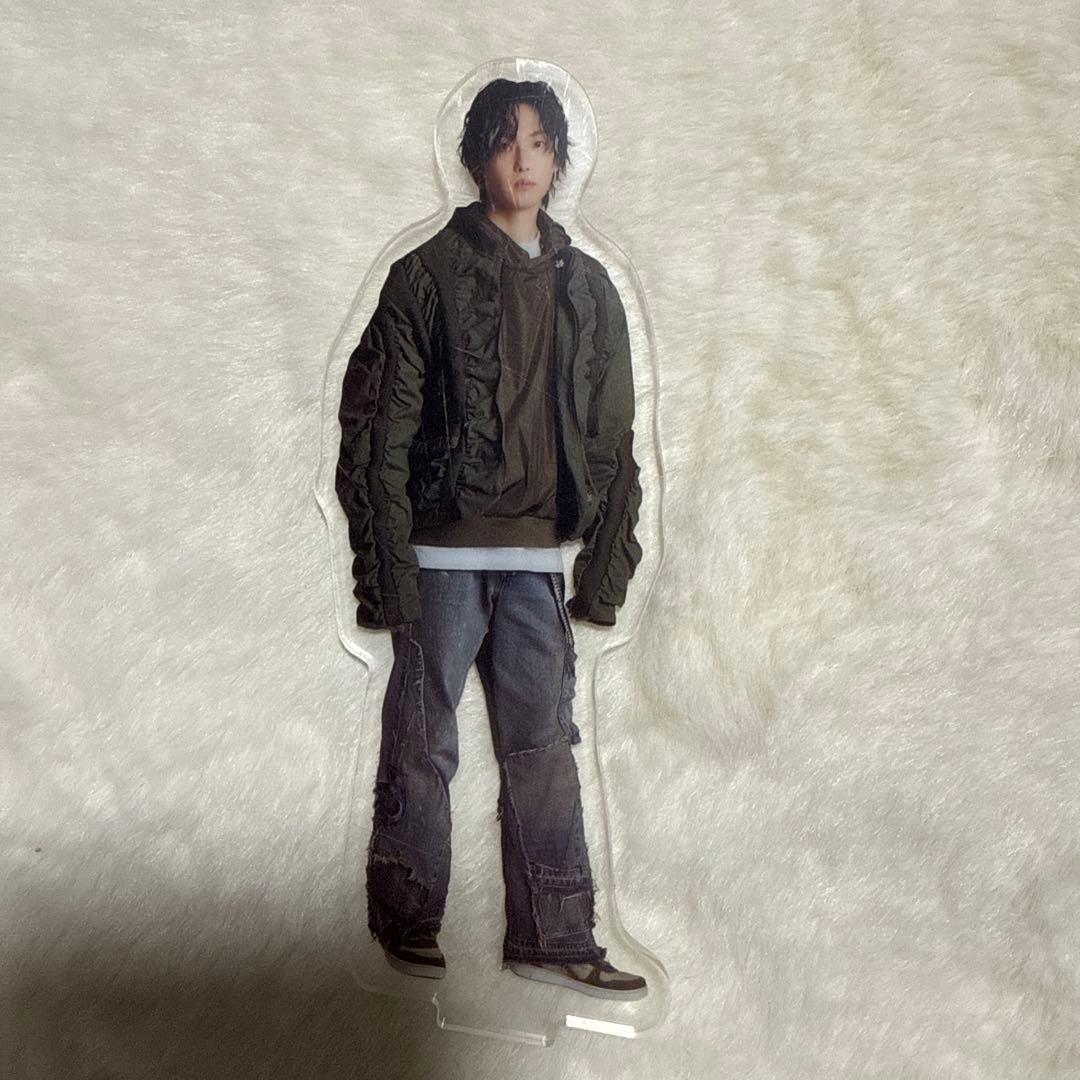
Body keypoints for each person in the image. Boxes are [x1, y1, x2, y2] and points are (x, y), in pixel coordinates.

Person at [335, 77, 646, 1001]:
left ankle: (555, 935)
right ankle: (405, 920)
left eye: (541, 143)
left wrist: (603, 574)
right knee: (422, 741)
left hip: (536, 563)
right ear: (476, 154)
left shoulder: (589, 288)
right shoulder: (424, 276)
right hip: (437, 562)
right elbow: (376, 433)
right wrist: (387, 576)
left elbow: (614, 439)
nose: (524, 160)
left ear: (560, 159)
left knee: (543, 749)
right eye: (507, 141)